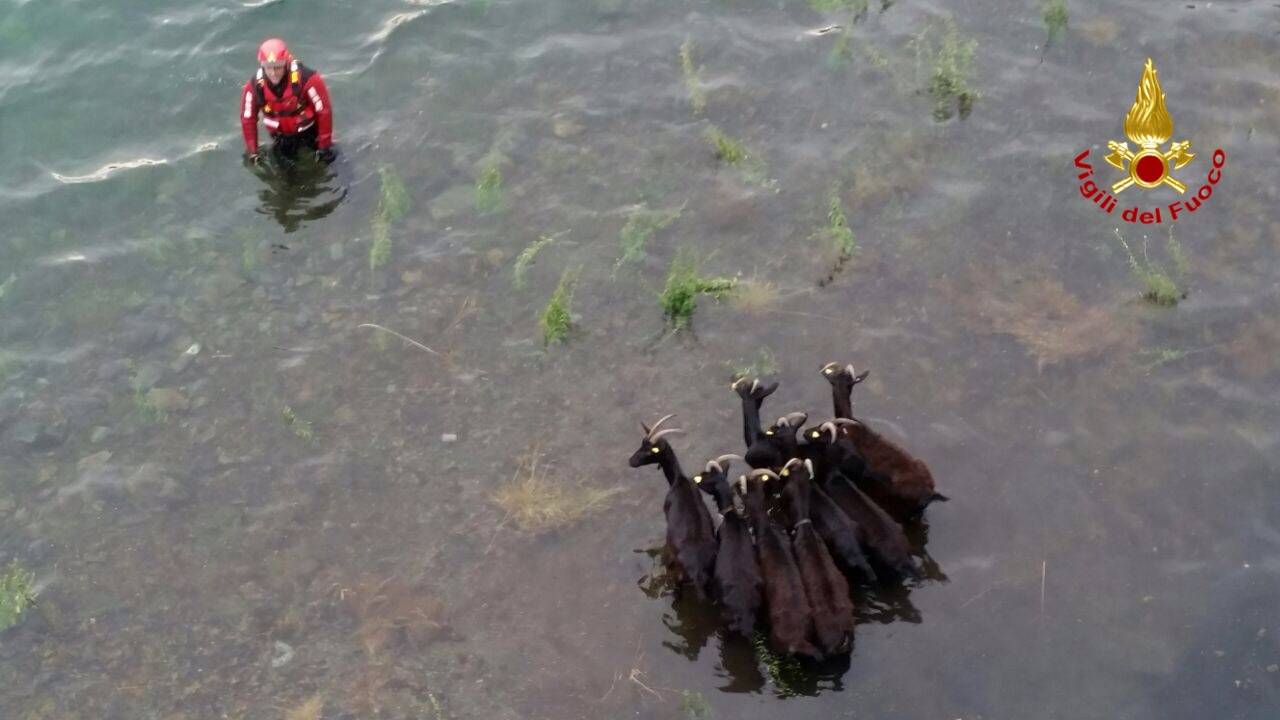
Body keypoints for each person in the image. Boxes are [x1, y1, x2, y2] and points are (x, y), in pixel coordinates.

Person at [240, 38, 336, 166]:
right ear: (262, 65)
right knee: (285, 180)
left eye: (278, 67)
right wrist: (253, 151)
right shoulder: (254, 87)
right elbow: (248, 118)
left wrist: (324, 144)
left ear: (287, 63)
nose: (273, 73)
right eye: (268, 68)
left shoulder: (308, 79)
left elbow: (323, 111)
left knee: (334, 164)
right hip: (281, 138)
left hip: (310, 132)